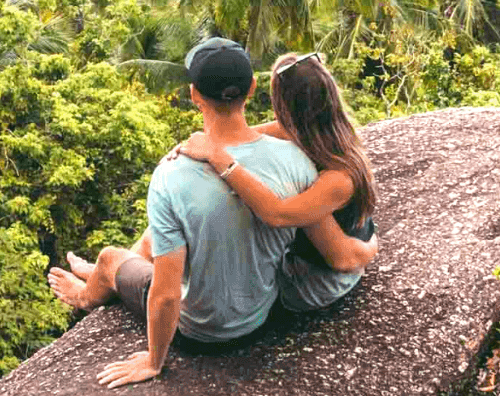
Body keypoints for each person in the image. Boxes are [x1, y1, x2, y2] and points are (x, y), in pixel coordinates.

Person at [46, 38, 376, 389]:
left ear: (194, 95)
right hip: (261, 312)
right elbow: (269, 134)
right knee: (157, 234)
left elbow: (168, 293)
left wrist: (154, 361)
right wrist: (221, 143)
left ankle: (88, 293)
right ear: (250, 89)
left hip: (205, 329)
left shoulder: (170, 178)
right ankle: (110, 273)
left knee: (111, 257)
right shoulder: (300, 161)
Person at [172, 51, 379, 312]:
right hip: (320, 251)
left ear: (283, 106)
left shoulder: (338, 177)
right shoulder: (316, 130)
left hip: (320, 280)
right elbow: (247, 135)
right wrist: (203, 143)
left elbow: (281, 218)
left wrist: (372, 247)